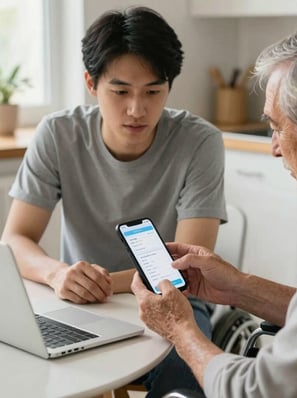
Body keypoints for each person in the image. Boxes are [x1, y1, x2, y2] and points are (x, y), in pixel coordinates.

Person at [131, 20, 297, 398]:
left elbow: (262, 392)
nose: (274, 147)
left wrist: (180, 330)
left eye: (278, 127)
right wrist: (241, 289)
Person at [1, 6, 227, 397]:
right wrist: (58, 274)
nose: (137, 110)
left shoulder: (199, 141)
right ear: (91, 83)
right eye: (120, 91)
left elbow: (189, 266)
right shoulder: (58, 133)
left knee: (185, 381)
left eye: (153, 92)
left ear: (169, 86)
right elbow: (16, 238)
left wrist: (98, 284)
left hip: (172, 300)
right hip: (79, 305)